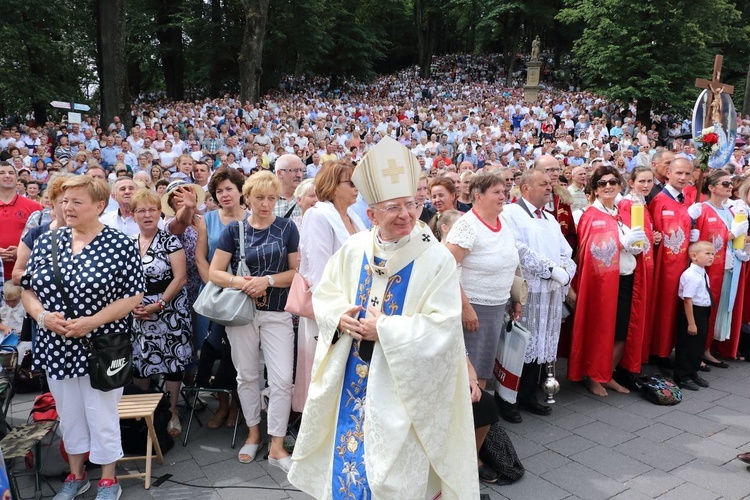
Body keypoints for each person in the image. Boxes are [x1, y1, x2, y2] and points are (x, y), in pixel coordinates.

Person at [289, 137, 477, 499]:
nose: (405, 214)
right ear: (372, 214)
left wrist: (385, 329)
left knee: (393, 474)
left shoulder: (435, 258)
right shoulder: (354, 248)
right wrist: (339, 315)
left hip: (402, 383)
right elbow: (325, 293)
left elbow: (443, 325)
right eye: (393, 208)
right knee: (349, 463)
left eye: (410, 204)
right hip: (351, 377)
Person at [20, 175, 144, 499]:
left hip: (100, 346)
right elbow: (28, 290)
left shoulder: (120, 244)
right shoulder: (48, 241)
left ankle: (108, 479)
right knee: (69, 414)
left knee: (101, 414)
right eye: (64, 201)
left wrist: (92, 321)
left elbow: (133, 295)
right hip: (56, 344)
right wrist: (42, 316)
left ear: (99, 206)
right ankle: (76, 476)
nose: (67, 207)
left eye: (77, 201)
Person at [209, 171, 299, 470]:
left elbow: (295, 272)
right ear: (247, 198)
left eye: (272, 198)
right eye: (260, 197)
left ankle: (276, 444)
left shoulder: (287, 228)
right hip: (241, 313)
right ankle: (253, 431)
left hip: (277, 312)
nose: (266, 203)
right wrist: (241, 282)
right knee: (246, 375)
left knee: (282, 380)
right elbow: (215, 272)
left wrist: (268, 280)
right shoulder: (235, 231)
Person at [500, 169, 576, 421]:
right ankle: (507, 399)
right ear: (525, 189)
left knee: (539, 344)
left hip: (550, 294)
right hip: (527, 291)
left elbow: (566, 250)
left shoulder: (549, 219)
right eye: (542, 184)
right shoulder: (511, 213)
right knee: (518, 345)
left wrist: (565, 269)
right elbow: (516, 248)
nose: (549, 188)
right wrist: (550, 269)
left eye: (549, 184)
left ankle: (528, 395)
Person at [293, 161, 365, 413]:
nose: (357, 189)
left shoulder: (354, 217)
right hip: (329, 308)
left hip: (354, 305)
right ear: (333, 187)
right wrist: (336, 310)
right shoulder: (318, 214)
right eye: (351, 183)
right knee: (323, 372)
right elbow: (319, 271)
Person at [568, 166, 647, 396]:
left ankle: (607, 373)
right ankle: (593, 376)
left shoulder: (621, 214)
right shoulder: (591, 216)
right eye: (602, 183)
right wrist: (623, 243)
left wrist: (637, 244)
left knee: (622, 332)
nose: (608, 186)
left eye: (613, 182)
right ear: (594, 189)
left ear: (620, 185)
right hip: (602, 285)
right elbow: (593, 252)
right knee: (602, 331)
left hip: (626, 280)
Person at [131, 189, 192, 438]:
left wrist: (159, 305)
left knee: (172, 364)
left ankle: (172, 411)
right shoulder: (130, 243)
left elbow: (180, 278)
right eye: (141, 210)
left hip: (170, 311)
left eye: (152, 210)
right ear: (133, 214)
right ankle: (144, 414)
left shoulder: (170, 240)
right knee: (142, 362)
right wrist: (133, 306)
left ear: (159, 212)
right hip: (139, 312)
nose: (147, 215)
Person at [195, 168, 245, 429]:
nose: (224, 195)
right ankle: (222, 405)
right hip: (217, 295)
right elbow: (201, 257)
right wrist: (214, 285)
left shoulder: (251, 218)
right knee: (215, 348)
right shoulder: (208, 219)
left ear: (240, 191)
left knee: (239, 353)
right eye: (219, 191)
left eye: (229, 189)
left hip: (244, 296)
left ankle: (237, 406)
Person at [689, 169, 750, 364]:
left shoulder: (730, 210)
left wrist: (741, 242)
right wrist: (732, 234)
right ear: (711, 187)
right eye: (725, 184)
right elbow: (708, 242)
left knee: (722, 308)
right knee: (708, 309)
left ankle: (709, 347)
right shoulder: (704, 209)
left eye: (730, 183)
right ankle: (700, 350)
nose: (730, 186)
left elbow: (736, 237)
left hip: (730, 265)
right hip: (711, 267)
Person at [649, 157, 694, 366]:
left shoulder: (685, 199)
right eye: (679, 173)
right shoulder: (659, 200)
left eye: (687, 174)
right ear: (668, 173)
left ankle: (667, 349)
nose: (683, 177)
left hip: (682, 264)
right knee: (664, 309)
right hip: (665, 266)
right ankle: (659, 352)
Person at [618, 167, 661, 365]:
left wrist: (655, 236)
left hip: (648, 261)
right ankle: (629, 360)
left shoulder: (642, 203)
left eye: (649, 181)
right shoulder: (628, 204)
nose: (646, 185)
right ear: (631, 183)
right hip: (638, 263)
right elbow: (632, 236)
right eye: (641, 181)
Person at [673, 241, 715, 391]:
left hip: (703, 311)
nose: (711, 257)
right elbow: (687, 300)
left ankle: (693, 372)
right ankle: (681, 376)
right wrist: (691, 323)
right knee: (687, 346)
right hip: (692, 313)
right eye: (707, 253)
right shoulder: (691, 275)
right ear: (694, 256)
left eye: (713, 254)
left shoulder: (702, 272)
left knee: (698, 345)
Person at [0, 162, 43, 279]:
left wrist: (21, 252)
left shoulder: (35, 207)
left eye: (11, 173)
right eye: (1, 173)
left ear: (17, 178)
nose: (7, 176)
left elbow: (44, 240)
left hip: (23, 276)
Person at [273, 154, 304, 219]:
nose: (299, 175)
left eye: (301, 170)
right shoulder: (267, 201)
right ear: (280, 173)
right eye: (294, 170)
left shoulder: (307, 199)